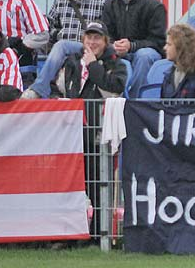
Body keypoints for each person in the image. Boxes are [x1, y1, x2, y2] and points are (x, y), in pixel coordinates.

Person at [50, 21, 127, 239]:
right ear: (83, 40)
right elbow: (58, 87)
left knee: (98, 187)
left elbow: (114, 88)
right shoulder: (73, 61)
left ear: (105, 41)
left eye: (97, 38)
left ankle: (98, 236)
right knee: (72, 188)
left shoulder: (116, 64)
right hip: (72, 135)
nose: (92, 42)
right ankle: (71, 235)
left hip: (99, 135)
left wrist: (94, 66)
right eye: (89, 38)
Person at [21, 0, 107, 99]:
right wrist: (58, 33)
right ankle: (44, 88)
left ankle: (39, 89)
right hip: (65, 48)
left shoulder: (101, 0)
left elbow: (105, 29)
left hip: (89, 47)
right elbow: (49, 25)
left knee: (61, 45)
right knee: (61, 45)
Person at [102, 0, 166, 98]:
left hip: (145, 52)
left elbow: (158, 42)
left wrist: (132, 46)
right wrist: (114, 45)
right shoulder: (109, 5)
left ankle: (135, 100)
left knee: (144, 56)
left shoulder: (154, 6)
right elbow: (106, 35)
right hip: (119, 51)